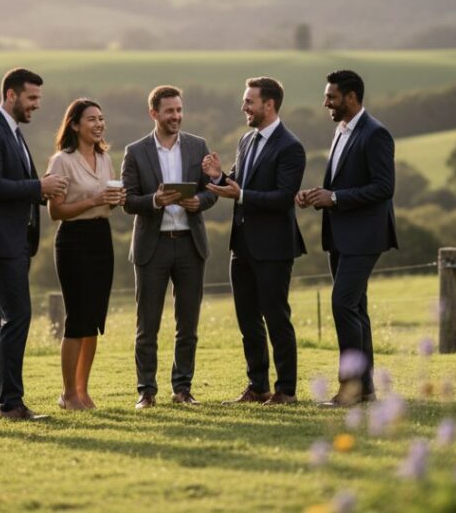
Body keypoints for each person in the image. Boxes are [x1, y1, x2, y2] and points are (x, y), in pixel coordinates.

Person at [0, 68, 68, 421]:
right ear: (11, 95)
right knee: (18, 315)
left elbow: (18, 183)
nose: (36, 105)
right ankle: (11, 404)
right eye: (32, 98)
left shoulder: (12, 132)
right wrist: (39, 187)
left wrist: (46, 190)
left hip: (14, 238)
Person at [296, 69, 398, 407]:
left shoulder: (376, 134)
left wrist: (335, 198)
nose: (326, 102)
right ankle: (366, 389)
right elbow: (341, 182)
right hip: (340, 235)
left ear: (351, 98)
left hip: (365, 237)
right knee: (356, 307)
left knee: (342, 304)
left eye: (331, 97)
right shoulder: (341, 131)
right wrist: (318, 195)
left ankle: (351, 388)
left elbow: (384, 188)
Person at [203, 77, 306, 406]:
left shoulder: (291, 146)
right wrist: (219, 177)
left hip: (274, 247)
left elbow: (283, 197)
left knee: (276, 318)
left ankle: (286, 390)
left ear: (269, 105)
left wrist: (241, 193)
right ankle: (257, 386)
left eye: (249, 101)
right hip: (242, 245)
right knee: (248, 320)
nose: (244, 107)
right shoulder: (246, 141)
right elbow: (236, 181)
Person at [122, 86, 217, 409]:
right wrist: (154, 200)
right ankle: (146, 391)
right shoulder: (135, 151)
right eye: (169, 111)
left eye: (179, 110)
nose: (176, 116)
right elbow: (128, 201)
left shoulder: (197, 146)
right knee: (147, 324)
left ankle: (183, 388)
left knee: (187, 324)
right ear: (154, 114)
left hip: (191, 246)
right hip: (152, 247)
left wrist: (198, 202)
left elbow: (212, 191)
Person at [46, 99, 125, 411]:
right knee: (77, 318)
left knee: (93, 320)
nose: (98, 124)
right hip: (73, 241)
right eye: (91, 119)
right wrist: (94, 198)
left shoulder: (106, 158)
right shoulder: (61, 162)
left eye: (101, 119)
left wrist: (115, 199)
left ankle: (83, 391)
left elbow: (108, 199)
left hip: (101, 239)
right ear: (75, 124)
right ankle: (67, 394)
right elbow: (55, 211)